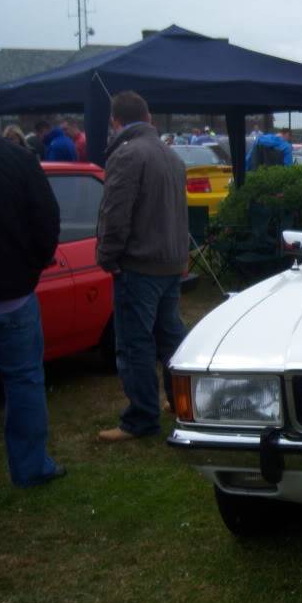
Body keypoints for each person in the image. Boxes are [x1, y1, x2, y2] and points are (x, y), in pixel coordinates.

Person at [95, 91, 188, 442]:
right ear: (148, 117)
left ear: (115, 122)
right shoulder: (171, 155)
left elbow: (115, 214)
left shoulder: (127, 154)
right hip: (170, 262)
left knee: (135, 344)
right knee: (171, 339)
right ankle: (181, 401)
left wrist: (108, 256)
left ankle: (141, 418)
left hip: (140, 264)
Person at [0, 136, 67, 487]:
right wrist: (34, 266)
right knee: (24, 380)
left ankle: (32, 467)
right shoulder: (19, 160)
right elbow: (47, 217)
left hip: (15, 291)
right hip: (13, 294)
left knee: (24, 380)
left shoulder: (20, 160)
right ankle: (30, 467)